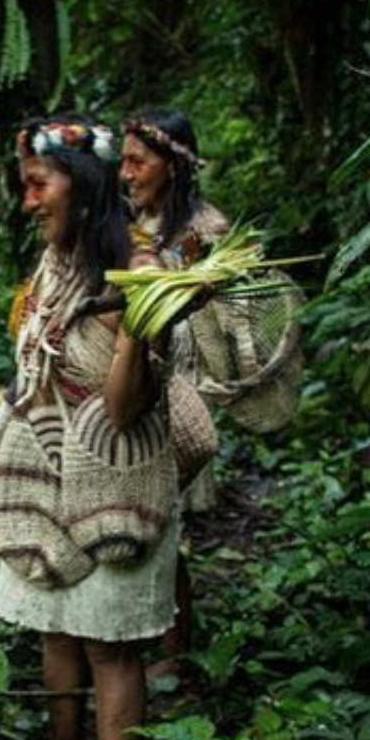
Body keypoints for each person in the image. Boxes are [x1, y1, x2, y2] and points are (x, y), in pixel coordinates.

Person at [0, 114, 183, 740]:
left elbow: (125, 407)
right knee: (55, 623)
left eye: (38, 185)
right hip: (47, 476)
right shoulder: (59, 257)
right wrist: (1, 437)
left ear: (83, 187)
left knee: (108, 649)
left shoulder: (142, 272)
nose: (27, 201)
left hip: (117, 482)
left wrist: (134, 326)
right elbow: (32, 359)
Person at [119, 110, 229, 669]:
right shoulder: (128, 221)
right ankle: (157, 642)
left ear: (174, 166)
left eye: (139, 161)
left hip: (176, 386)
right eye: (123, 160)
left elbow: (196, 309)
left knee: (165, 524)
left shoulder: (201, 232)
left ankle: (174, 653)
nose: (127, 172)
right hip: (133, 381)